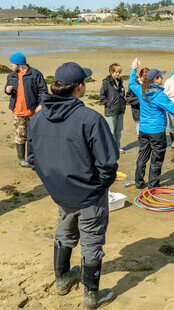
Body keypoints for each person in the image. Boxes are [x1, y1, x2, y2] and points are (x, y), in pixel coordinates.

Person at [27, 62, 118, 309]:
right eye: (84, 82)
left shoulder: (37, 118)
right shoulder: (89, 118)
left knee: (65, 232)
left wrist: (54, 182)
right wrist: (100, 185)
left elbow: (32, 160)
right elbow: (108, 162)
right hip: (88, 195)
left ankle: (62, 280)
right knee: (91, 242)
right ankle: (90, 296)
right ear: (79, 87)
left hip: (61, 192)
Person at [129, 59, 174, 189]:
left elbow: (132, 82)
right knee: (156, 160)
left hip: (143, 130)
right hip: (156, 132)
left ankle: (139, 182)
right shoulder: (159, 95)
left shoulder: (141, 89)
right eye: (160, 77)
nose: (162, 78)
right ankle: (153, 186)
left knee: (142, 156)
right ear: (155, 80)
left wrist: (134, 68)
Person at [4, 52, 47, 167]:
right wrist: (7, 90)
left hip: (34, 111)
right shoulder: (11, 75)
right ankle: (21, 159)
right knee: (20, 136)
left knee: (36, 135)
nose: (11, 65)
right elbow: (7, 89)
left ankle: (37, 158)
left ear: (19, 63)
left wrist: (41, 104)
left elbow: (43, 90)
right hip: (18, 111)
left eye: (12, 63)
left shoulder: (35, 74)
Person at [100, 63, 127, 153]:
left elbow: (122, 94)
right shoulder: (106, 82)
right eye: (116, 72)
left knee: (119, 130)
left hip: (120, 110)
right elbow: (102, 97)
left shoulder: (120, 82)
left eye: (119, 72)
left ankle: (118, 146)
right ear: (111, 72)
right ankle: (111, 148)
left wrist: (123, 104)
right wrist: (109, 104)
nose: (117, 74)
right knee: (111, 131)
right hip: (111, 110)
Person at [126, 67, 149, 137]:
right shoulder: (134, 85)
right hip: (137, 112)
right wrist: (140, 99)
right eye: (144, 77)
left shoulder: (149, 84)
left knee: (148, 132)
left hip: (147, 113)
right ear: (140, 76)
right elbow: (128, 98)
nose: (145, 80)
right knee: (140, 132)